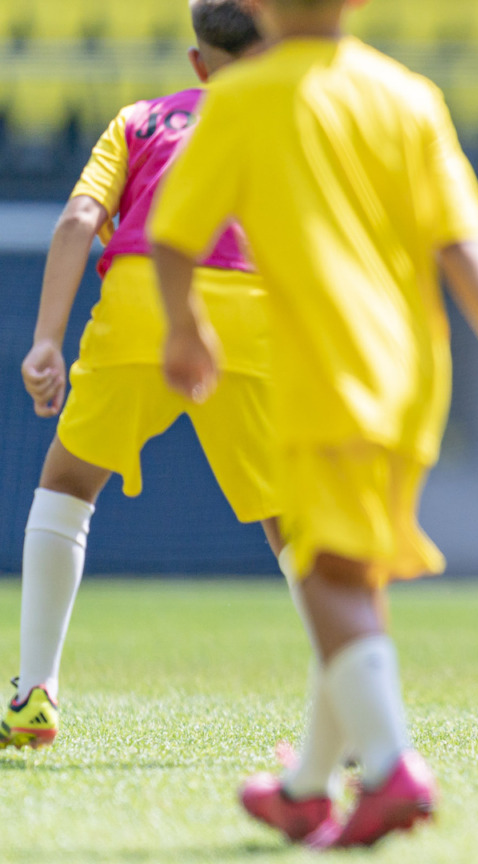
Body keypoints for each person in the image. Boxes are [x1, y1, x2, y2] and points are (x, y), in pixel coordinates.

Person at [148, 0, 478, 847]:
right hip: (415, 376)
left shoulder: (242, 96)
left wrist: (183, 325)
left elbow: (173, 234)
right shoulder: (407, 95)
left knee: (327, 578)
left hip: (321, 369)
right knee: (350, 570)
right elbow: (464, 242)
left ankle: (387, 771)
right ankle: (307, 786)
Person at [7, 0, 274, 750]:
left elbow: (75, 220)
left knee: (64, 488)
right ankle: (353, 725)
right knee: (296, 523)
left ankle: (33, 695)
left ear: (197, 62)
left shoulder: (138, 120)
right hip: (248, 316)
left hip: (139, 301)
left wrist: (46, 342)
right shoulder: (285, 123)